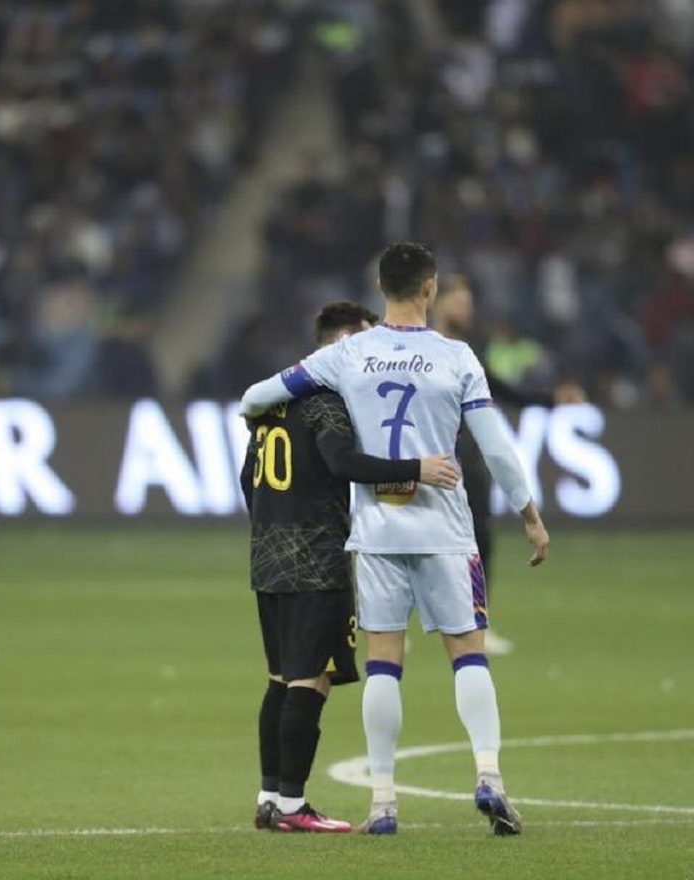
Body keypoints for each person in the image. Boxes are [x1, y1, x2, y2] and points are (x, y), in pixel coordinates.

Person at [240, 243, 550, 836]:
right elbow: (496, 449)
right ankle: (490, 777)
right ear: (430, 289)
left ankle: (382, 802)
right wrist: (529, 514)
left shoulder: (348, 354)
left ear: (382, 287)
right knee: (468, 653)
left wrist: (258, 420)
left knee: (384, 665)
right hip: (445, 531)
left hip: (377, 533)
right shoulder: (456, 357)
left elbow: (258, 397)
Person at [242, 301, 462, 834]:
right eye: (365, 342)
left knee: (278, 679)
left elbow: (249, 476)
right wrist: (417, 469)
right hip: (316, 561)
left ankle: (270, 796)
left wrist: (274, 525)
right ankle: (293, 805)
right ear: (344, 343)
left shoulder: (273, 401)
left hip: (268, 556)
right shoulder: (326, 400)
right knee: (309, 681)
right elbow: (342, 462)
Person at [433, 276, 584, 655]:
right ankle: (402, 624)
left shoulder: (467, 350)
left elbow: (500, 389)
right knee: (418, 539)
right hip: (427, 456)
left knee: (479, 537)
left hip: (466, 453)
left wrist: (551, 399)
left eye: (469, 302)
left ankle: (475, 620)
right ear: (437, 301)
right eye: (460, 301)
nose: (466, 309)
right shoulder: (424, 346)